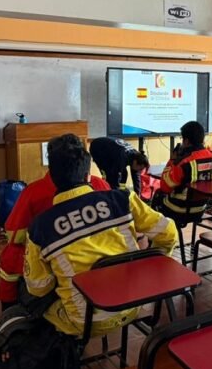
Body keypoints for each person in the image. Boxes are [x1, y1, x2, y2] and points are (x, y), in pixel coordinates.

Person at [24, 134, 177, 337]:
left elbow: (39, 288)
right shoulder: (123, 199)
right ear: (88, 175)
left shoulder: (39, 228)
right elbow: (169, 233)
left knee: (28, 298)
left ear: (51, 178)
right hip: (134, 304)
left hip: (85, 321)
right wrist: (151, 263)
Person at [0, 162, 111, 310]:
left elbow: (14, 235)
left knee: (11, 254)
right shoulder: (102, 185)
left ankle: (9, 311)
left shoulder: (35, 192)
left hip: (59, 273)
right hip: (101, 267)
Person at [158, 121, 212, 223]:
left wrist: (172, 160)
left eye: (182, 139)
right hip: (201, 209)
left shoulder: (183, 162)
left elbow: (165, 187)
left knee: (158, 196)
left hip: (179, 210)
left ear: (186, 141)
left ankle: (164, 236)